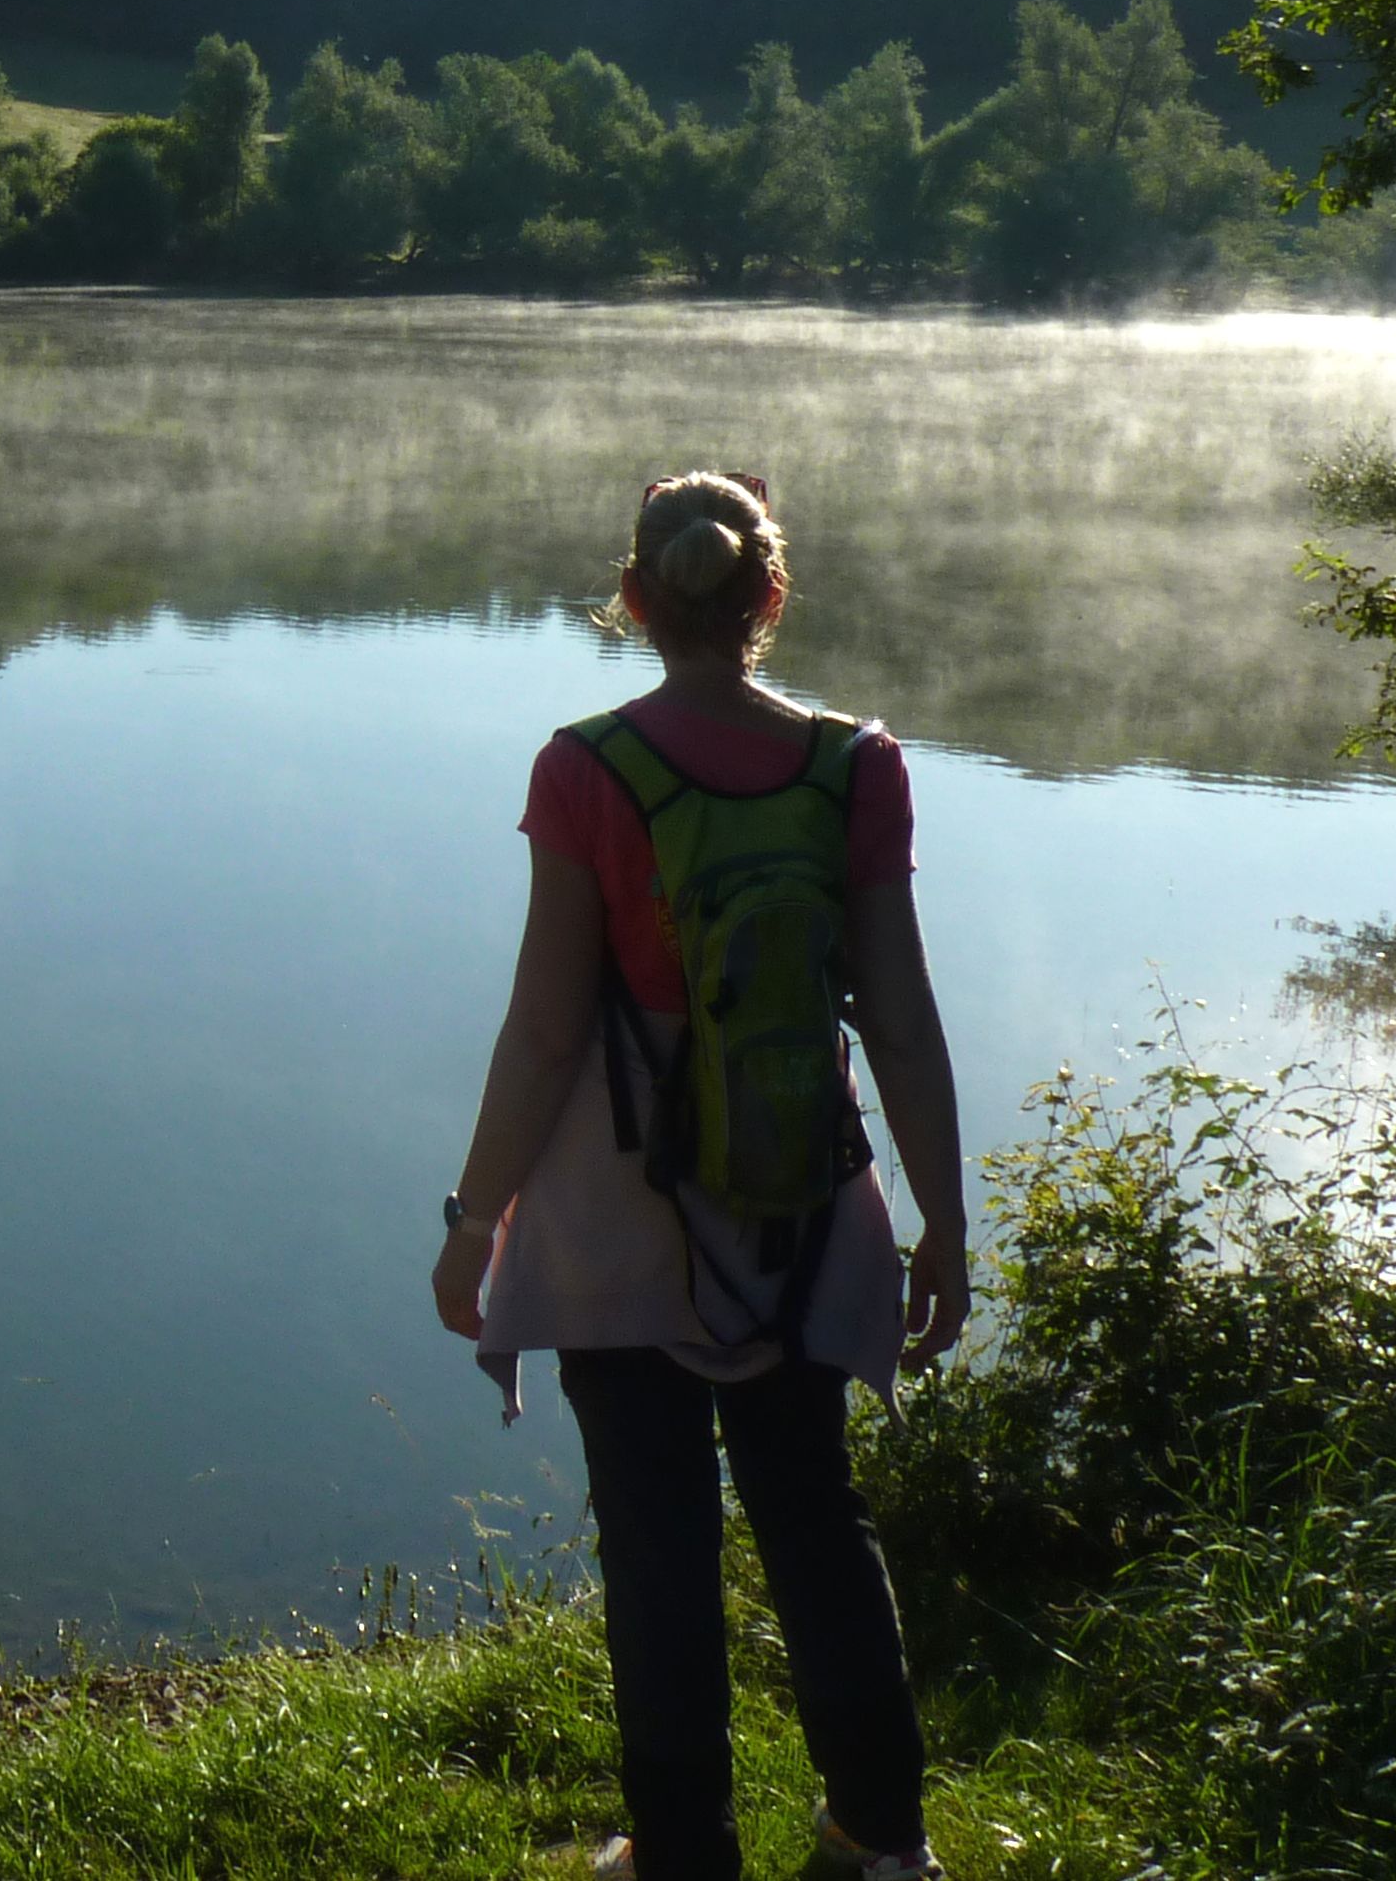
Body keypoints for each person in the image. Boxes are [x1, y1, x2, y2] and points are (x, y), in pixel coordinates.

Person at [431, 469, 969, 1881]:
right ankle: (882, 1838)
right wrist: (945, 1226)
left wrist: (474, 1218)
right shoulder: (859, 764)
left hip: (618, 1218)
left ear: (634, 600)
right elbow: (901, 1019)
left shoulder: (588, 766)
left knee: (657, 1548)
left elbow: (549, 1025)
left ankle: (681, 1855)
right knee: (814, 1519)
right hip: (801, 1202)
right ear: (770, 598)